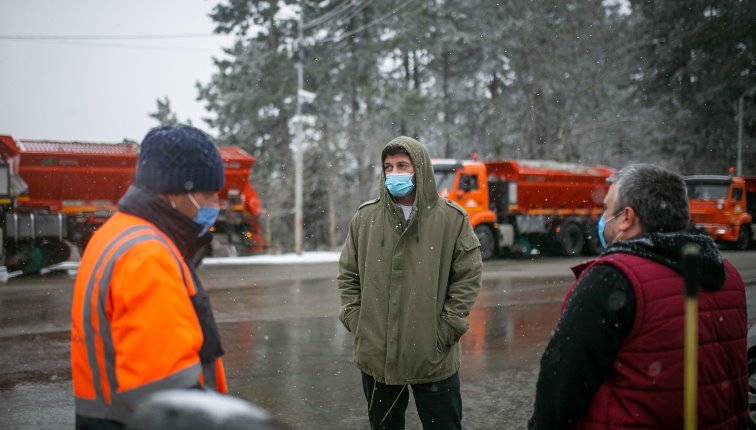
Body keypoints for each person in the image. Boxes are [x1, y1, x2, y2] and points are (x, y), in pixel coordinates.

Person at [528, 164, 748, 429]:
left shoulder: (611, 279)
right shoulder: (728, 275)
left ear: (627, 218)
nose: (602, 216)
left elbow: (560, 389)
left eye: (606, 208)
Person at [71, 126, 228, 429]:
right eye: (207, 194)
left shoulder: (117, 232)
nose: (214, 204)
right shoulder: (147, 256)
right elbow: (170, 397)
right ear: (171, 192)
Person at [337, 136, 483, 430]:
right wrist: (357, 320)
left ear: (420, 169)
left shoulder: (451, 219)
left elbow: (468, 277)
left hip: (433, 357)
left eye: (402, 165)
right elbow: (347, 276)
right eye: (388, 167)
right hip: (379, 358)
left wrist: (448, 327)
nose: (394, 173)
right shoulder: (365, 218)